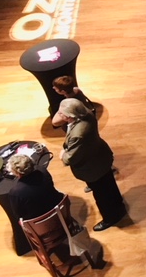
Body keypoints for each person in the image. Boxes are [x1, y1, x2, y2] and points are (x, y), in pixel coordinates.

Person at [53, 98, 126, 231]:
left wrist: (62, 154)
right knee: (109, 185)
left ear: (70, 116)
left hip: (92, 167)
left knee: (102, 195)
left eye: (61, 113)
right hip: (101, 157)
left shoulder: (78, 134)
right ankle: (119, 206)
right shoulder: (86, 113)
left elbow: (70, 159)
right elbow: (56, 121)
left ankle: (111, 217)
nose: (59, 115)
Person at [7, 154, 64, 221]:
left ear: (17, 172)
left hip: (40, 222)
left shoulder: (15, 192)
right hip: (59, 208)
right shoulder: (43, 171)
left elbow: (18, 214)